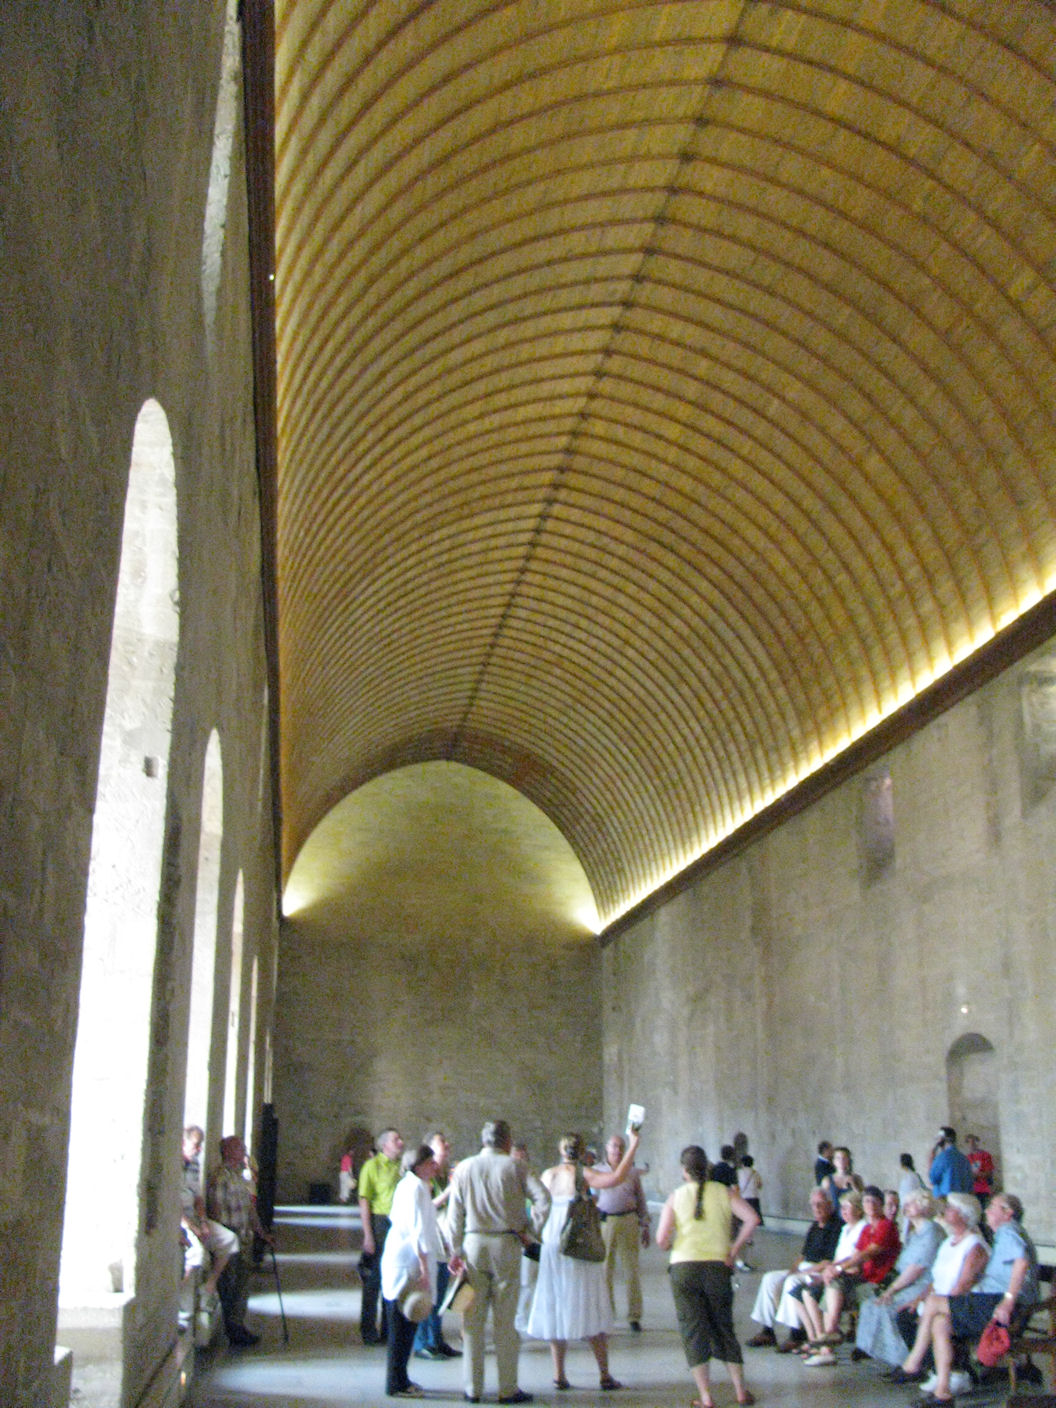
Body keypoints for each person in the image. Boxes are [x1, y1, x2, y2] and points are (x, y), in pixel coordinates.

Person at [888, 1192, 1038, 1404]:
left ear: (1008, 1213)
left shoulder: (1008, 1230)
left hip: (999, 1304)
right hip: (991, 1301)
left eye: (993, 1206)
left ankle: (913, 1363)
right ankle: (943, 1392)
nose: (987, 1211)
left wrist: (1008, 1300)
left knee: (933, 1303)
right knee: (940, 1322)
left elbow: (1021, 1262)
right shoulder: (1003, 1234)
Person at [526, 1128, 641, 1391]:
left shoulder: (548, 1174)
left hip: (553, 1239)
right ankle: (604, 1375)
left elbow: (536, 1205)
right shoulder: (584, 1174)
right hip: (577, 1239)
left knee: (555, 1301)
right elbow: (616, 1178)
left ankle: (559, 1375)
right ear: (582, 1151)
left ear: (560, 1150)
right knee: (589, 1302)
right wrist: (633, 1145)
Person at [446, 1118, 551, 1405]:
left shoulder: (465, 1168)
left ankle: (472, 1389)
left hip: (473, 1245)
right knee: (505, 1323)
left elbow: (454, 1214)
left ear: (483, 1140)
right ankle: (507, 1388)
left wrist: (454, 1249)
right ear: (507, 1140)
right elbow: (543, 1199)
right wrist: (530, 1231)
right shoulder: (516, 1166)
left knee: (472, 1321)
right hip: (506, 1244)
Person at [656, 1144, 759, 1408]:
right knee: (724, 1327)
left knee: (693, 1330)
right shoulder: (724, 1192)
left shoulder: (676, 1196)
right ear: (707, 1168)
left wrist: (672, 1243)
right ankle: (740, 1391)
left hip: (684, 1268)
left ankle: (706, 1397)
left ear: (684, 1170)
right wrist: (734, 1250)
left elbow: (661, 1239)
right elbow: (752, 1218)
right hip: (717, 1267)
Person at [799, 1184, 900, 1365]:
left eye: (874, 1201)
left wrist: (837, 1269)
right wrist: (833, 1268)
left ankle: (831, 1333)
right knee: (826, 1284)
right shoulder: (868, 1229)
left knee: (834, 1283)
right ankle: (827, 1343)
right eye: (866, 1201)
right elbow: (855, 1255)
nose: (870, 1205)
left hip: (879, 1281)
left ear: (880, 1204)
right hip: (864, 1277)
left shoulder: (886, 1226)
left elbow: (867, 1254)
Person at [381, 1144, 447, 1397]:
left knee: (404, 1324)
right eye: (431, 1162)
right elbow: (417, 1229)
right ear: (419, 1166)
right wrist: (424, 1268)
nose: (435, 1166)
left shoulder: (410, 1185)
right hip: (408, 1262)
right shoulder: (417, 1187)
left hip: (400, 1257)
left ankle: (401, 1378)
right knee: (403, 1324)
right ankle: (396, 1383)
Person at [854, 1189, 943, 1365]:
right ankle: (870, 1348)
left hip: (923, 1284)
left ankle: (902, 1360)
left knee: (888, 1307)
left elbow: (916, 1268)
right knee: (870, 1304)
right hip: (907, 1282)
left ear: (924, 1207)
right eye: (906, 1203)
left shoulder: (931, 1231)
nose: (905, 1206)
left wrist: (892, 1289)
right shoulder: (914, 1233)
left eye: (912, 1203)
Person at [746, 1186, 841, 1350]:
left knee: (792, 1282)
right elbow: (802, 1255)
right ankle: (767, 1330)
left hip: (819, 1271)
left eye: (820, 1203)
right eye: (813, 1204)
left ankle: (796, 1333)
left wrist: (801, 1273)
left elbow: (829, 1262)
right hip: (804, 1268)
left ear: (830, 1204)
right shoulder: (814, 1226)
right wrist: (791, 1271)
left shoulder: (836, 1227)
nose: (816, 1208)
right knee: (770, 1279)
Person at [206, 1134, 275, 1347]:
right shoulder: (220, 1176)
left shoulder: (238, 1176)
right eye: (239, 1148)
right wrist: (223, 1239)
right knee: (231, 1284)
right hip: (230, 1235)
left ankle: (237, 1325)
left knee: (242, 1282)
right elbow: (215, 1209)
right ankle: (234, 1328)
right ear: (227, 1151)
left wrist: (261, 1232)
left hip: (244, 1235)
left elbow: (249, 1208)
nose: (244, 1151)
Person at [594, 1132, 650, 1332]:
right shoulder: (597, 1171)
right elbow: (591, 1198)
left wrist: (645, 1224)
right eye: (614, 1146)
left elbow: (640, 1198)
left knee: (631, 1268)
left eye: (621, 1147)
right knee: (605, 1269)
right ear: (607, 1148)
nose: (617, 1150)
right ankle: (607, 1314)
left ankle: (634, 1315)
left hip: (628, 1219)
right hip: (606, 1221)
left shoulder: (632, 1172)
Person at [413, 1130, 460, 1361]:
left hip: (444, 1240)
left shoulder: (442, 1175)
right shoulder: (424, 1179)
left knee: (440, 1293)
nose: (447, 1145)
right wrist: (450, 1191)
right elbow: (427, 1206)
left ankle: (437, 1339)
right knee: (429, 1292)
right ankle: (423, 1341)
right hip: (431, 1239)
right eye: (442, 1143)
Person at [358, 1128, 405, 1344]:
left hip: (399, 1223)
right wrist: (368, 1235)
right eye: (396, 1139)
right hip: (380, 1222)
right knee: (375, 1278)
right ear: (385, 1145)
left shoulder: (402, 1166)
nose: (401, 1142)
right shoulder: (372, 1166)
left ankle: (389, 1328)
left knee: (393, 1275)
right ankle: (368, 1329)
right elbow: (364, 1200)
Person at [181, 1124, 237, 1304]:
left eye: (201, 1145)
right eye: (196, 1145)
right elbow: (171, 1203)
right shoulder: (173, 1165)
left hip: (193, 1216)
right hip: (180, 1219)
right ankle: (178, 1296)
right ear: (183, 1143)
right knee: (197, 1253)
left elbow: (198, 1198)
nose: (199, 1149)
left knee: (229, 1239)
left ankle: (210, 1284)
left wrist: (203, 1222)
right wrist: (192, 1227)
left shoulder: (194, 1164)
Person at [928, 1126, 973, 1196]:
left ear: (941, 1140)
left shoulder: (942, 1158)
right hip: (962, 1198)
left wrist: (931, 1156)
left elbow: (933, 1179)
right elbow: (970, 1184)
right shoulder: (964, 1159)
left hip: (944, 1198)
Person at [966, 1134, 995, 1205]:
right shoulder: (967, 1157)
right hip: (971, 1189)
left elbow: (989, 1173)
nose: (971, 1144)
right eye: (969, 1142)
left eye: (973, 1142)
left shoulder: (985, 1155)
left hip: (983, 1189)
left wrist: (976, 1175)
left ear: (977, 1143)